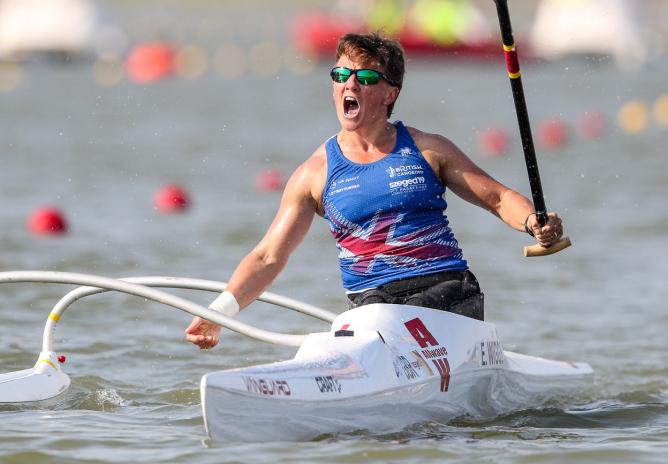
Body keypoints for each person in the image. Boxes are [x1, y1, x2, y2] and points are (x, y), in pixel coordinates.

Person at [185, 32, 564, 349]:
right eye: (340, 75)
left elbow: (498, 198)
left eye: (365, 78)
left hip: (448, 295)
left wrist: (534, 221)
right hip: (374, 307)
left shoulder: (429, 150)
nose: (350, 84)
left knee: (376, 325)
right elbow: (268, 257)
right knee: (368, 321)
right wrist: (218, 313)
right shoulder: (313, 174)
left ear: (389, 94)